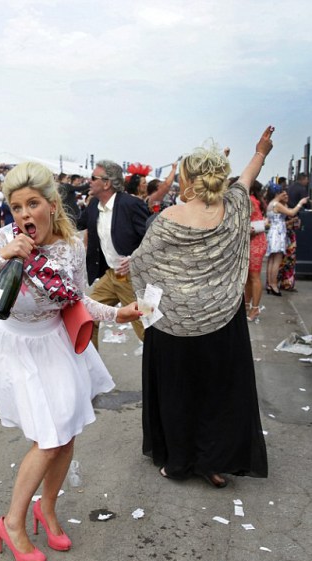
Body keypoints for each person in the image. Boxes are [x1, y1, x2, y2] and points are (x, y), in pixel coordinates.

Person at [0, 161, 140, 561]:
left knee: (66, 433)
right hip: (15, 345)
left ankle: (47, 509)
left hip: (56, 342)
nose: (24, 215)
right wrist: (1, 256)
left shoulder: (71, 246)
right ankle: (12, 522)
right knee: (50, 438)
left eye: (32, 204)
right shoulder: (2, 240)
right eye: (16, 207)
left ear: (52, 205)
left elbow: (77, 300)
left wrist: (118, 313)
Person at [130, 127, 275, 489]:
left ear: (187, 180)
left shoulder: (168, 219)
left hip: (173, 325)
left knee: (179, 392)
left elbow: (141, 267)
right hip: (223, 317)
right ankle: (215, 464)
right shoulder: (235, 207)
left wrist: (149, 316)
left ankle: (178, 463)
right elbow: (245, 178)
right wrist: (261, 151)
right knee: (218, 393)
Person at [76, 160, 148, 348]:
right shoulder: (93, 206)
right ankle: (92, 369)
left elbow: (152, 237)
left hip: (134, 278)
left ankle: (166, 370)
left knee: (148, 327)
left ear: (107, 183)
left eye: (94, 178)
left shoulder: (131, 204)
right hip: (111, 274)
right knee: (86, 315)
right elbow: (76, 223)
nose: (89, 181)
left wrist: (135, 258)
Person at [264, 186, 308, 296]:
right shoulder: (277, 204)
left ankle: (269, 284)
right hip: (278, 234)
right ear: (276, 194)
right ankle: (274, 285)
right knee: (277, 260)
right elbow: (291, 213)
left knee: (271, 260)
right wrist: (300, 203)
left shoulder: (270, 204)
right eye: (282, 193)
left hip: (272, 233)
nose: (284, 195)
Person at [243, 179, 267, 322]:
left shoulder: (250, 201)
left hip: (255, 242)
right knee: (249, 277)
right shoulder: (254, 200)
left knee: (253, 277)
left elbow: (253, 225)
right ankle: (247, 305)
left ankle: (255, 309)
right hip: (256, 241)